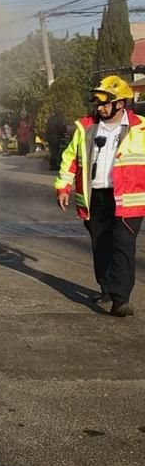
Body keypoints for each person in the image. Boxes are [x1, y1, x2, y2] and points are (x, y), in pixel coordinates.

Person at [55, 76, 145, 317]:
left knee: (123, 245)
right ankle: (106, 288)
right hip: (96, 197)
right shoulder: (86, 127)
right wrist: (63, 186)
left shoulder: (142, 128)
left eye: (105, 103)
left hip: (129, 200)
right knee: (101, 244)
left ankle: (121, 298)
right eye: (97, 103)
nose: (99, 107)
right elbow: (70, 159)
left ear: (120, 104)